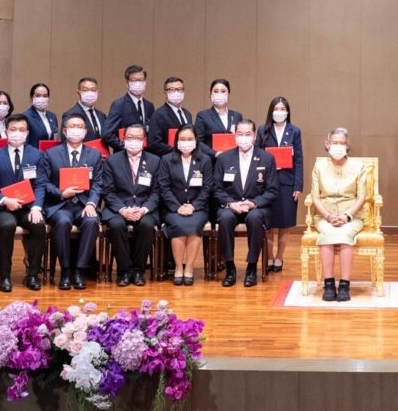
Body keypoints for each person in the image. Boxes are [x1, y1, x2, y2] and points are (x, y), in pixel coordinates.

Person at [0, 114, 48, 292]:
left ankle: (33, 274)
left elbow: (40, 185)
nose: (17, 133)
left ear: (27, 133)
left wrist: (36, 207)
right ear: (6, 132)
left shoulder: (37, 155)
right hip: (2, 208)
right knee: (7, 225)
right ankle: (4, 275)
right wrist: (5, 200)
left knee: (38, 224)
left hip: (28, 207)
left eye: (21, 130)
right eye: (13, 130)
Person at [40, 114, 103, 290]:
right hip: (60, 205)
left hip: (84, 204)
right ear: (65, 131)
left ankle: (80, 270)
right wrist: (61, 193)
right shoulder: (51, 154)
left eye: (80, 126)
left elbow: (98, 184)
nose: (76, 129)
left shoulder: (95, 155)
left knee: (91, 222)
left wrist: (92, 204)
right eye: (72, 126)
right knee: (63, 221)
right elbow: (44, 183)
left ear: (85, 131)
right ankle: (66, 270)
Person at [213, 117, 277, 287]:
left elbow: (272, 190)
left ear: (254, 135)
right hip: (231, 205)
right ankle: (230, 267)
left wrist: (253, 203)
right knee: (225, 219)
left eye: (247, 134)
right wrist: (230, 203)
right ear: (235, 135)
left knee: (254, 218)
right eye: (240, 134)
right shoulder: (224, 158)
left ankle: (251, 267)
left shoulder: (266, 158)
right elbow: (216, 188)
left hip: (256, 207)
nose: (244, 137)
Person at [308, 128, 368, 302]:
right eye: (335, 142)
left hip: (352, 215)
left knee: (343, 234)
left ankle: (344, 284)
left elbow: (362, 196)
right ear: (327, 144)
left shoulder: (358, 166)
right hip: (325, 214)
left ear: (347, 145)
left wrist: (347, 216)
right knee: (327, 233)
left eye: (342, 143)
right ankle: (328, 284)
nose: (338, 146)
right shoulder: (319, 166)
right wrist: (327, 216)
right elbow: (315, 196)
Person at [99, 123, 160, 286]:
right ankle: (124, 271)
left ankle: (139, 271)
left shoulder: (155, 161)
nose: (134, 141)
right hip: (118, 208)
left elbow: (156, 192)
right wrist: (123, 210)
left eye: (138, 138)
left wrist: (144, 209)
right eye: (130, 137)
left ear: (144, 140)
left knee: (147, 225)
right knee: (116, 225)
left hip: (144, 208)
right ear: (123, 139)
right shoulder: (112, 161)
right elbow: (108, 191)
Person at [157, 125, 211, 286]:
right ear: (176, 141)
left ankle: (189, 267)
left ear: (196, 141)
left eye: (189, 139)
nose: (186, 143)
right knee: (179, 225)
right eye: (182, 139)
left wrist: (193, 206)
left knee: (194, 226)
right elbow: (163, 187)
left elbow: (208, 187)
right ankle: (178, 267)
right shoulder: (166, 159)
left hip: (198, 208)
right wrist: (177, 206)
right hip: (173, 208)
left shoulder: (205, 160)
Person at [258, 96, 303, 274]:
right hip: (266, 183)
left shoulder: (294, 131)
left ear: (287, 112)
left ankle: (279, 257)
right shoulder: (262, 130)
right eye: (276, 109)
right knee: (269, 224)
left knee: (284, 224)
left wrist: (298, 186)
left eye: (282, 109)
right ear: (271, 111)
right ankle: (269, 257)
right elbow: (257, 156)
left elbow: (299, 159)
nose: (279, 112)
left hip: (287, 182)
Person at [195, 79, 244, 160]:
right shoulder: (203, 116)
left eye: (223, 91)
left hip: (233, 160)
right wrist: (215, 153)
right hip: (212, 161)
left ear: (228, 94)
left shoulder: (237, 116)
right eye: (216, 91)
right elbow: (198, 141)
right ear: (211, 94)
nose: (219, 94)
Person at [109, 65, 155, 148]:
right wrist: (126, 146)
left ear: (145, 82)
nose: (138, 83)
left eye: (141, 80)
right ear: (127, 83)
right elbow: (108, 134)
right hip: (125, 155)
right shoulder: (119, 104)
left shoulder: (149, 106)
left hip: (146, 154)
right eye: (134, 80)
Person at [147, 76, 192, 156]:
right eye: (171, 90)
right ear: (165, 94)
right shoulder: (158, 114)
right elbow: (154, 143)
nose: (176, 92)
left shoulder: (187, 114)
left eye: (179, 89)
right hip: (168, 160)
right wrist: (177, 151)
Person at [62, 76, 108, 148]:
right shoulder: (70, 114)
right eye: (85, 90)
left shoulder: (102, 115)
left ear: (97, 92)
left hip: (102, 157)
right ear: (78, 93)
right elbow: (65, 141)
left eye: (93, 90)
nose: (90, 93)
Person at [22, 82, 60, 147]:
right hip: (34, 155)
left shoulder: (52, 116)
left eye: (45, 96)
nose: (41, 98)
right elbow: (25, 143)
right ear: (31, 98)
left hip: (50, 155)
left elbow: (55, 137)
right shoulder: (26, 117)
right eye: (38, 95)